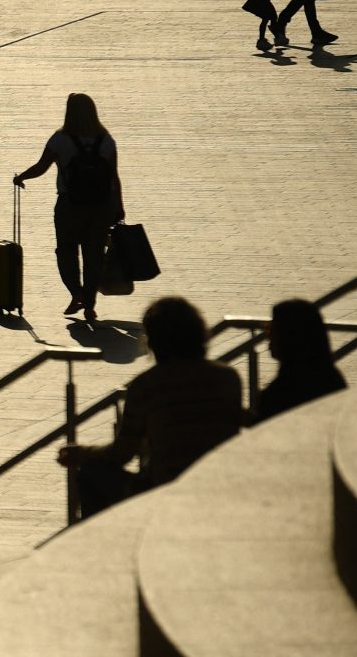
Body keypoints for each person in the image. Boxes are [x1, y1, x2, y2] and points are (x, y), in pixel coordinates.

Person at [57, 297, 244, 517]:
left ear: (154, 341)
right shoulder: (227, 377)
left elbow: (122, 453)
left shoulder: (147, 385)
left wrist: (81, 452)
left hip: (164, 490)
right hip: (216, 488)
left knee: (91, 472)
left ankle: (105, 544)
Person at [13, 92, 123, 321]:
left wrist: (21, 177)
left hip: (69, 204)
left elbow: (41, 167)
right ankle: (90, 304)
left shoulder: (61, 139)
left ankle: (76, 293)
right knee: (94, 254)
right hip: (101, 206)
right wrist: (119, 206)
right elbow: (114, 176)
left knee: (66, 251)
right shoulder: (105, 139)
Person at [257, 299, 346, 422]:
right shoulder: (331, 379)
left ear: (288, 337)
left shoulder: (282, 392)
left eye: (271, 330)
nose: (268, 337)